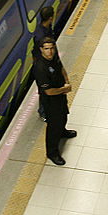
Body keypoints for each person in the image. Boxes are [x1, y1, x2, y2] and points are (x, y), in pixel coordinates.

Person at [33, 37, 76, 165]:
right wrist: (64, 89)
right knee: (53, 126)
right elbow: (49, 92)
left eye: (52, 48)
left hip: (60, 96)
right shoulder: (40, 68)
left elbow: (61, 67)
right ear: (41, 50)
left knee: (63, 116)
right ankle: (52, 153)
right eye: (46, 49)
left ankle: (62, 131)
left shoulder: (54, 58)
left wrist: (67, 81)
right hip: (51, 102)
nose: (50, 51)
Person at [32, 5, 56, 121]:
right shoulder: (40, 36)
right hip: (41, 65)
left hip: (48, 62)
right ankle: (42, 112)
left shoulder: (47, 27)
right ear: (51, 18)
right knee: (43, 90)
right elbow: (36, 54)